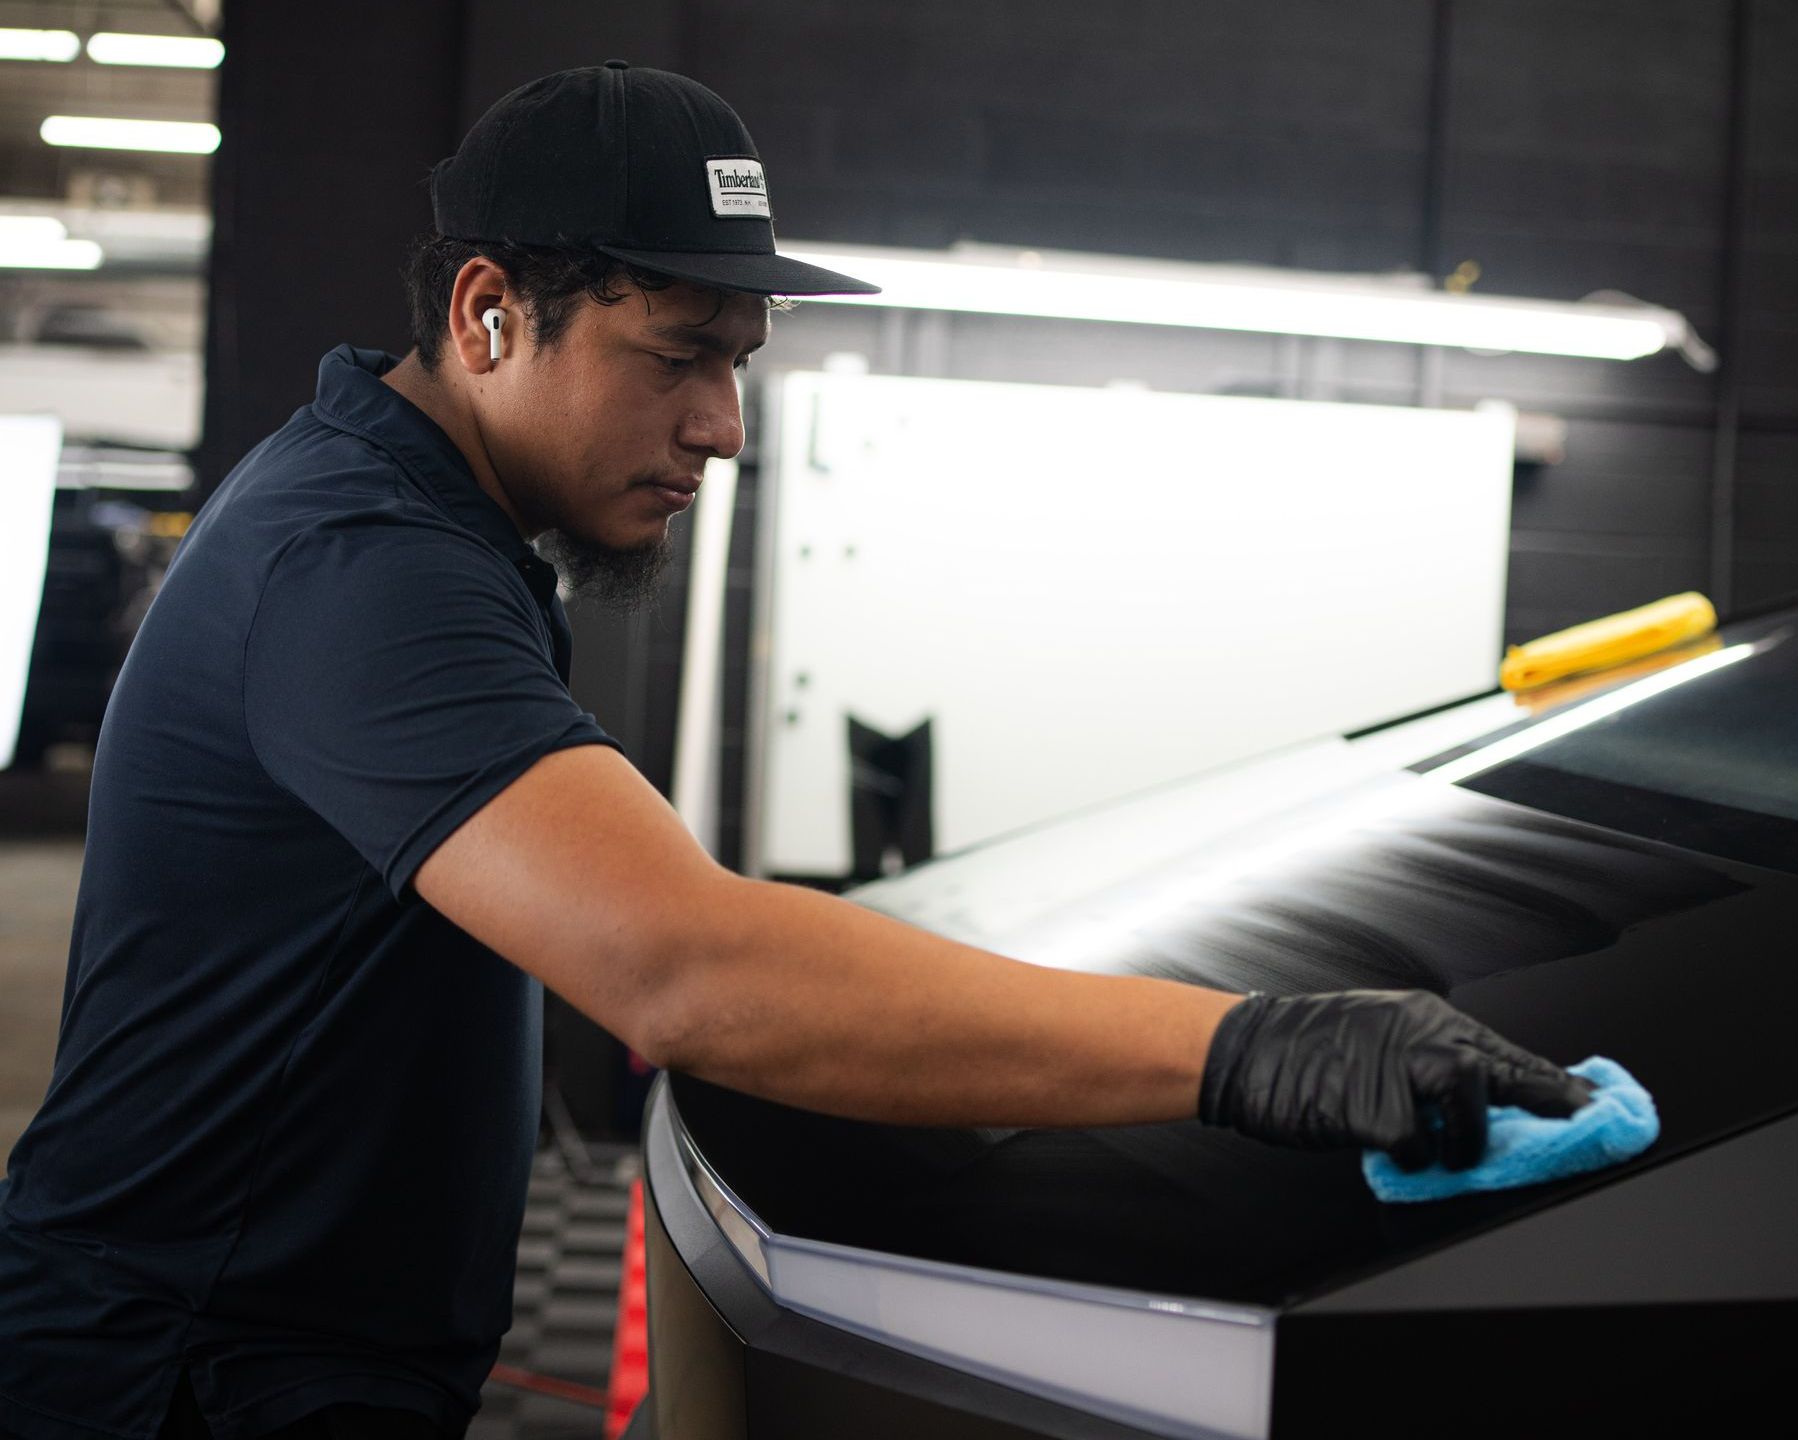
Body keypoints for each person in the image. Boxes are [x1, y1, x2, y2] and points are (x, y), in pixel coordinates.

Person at [0, 62, 1591, 1440]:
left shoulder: (424, 533)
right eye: (677, 353)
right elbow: (678, 969)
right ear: (490, 314)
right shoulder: (362, 568)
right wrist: (1256, 1053)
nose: (724, 428)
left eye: (737, 366)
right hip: (178, 1382)